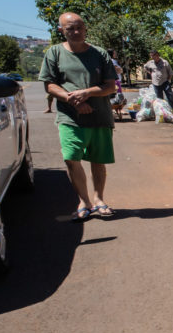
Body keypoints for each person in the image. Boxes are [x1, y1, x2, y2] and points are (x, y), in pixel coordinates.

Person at [39, 12, 118, 221]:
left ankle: (99, 199)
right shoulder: (54, 53)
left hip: (99, 116)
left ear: (85, 29)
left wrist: (88, 93)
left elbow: (110, 86)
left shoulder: (99, 54)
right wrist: (71, 99)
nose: (75, 32)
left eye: (79, 28)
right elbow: (49, 84)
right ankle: (84, 201)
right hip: (69, 117)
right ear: (61, 30)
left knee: (97, 160)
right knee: (71, 158)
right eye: (70, 29)